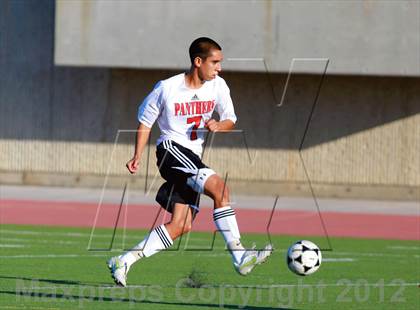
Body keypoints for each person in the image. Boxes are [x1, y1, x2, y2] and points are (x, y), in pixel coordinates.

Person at [107, 37, 272, 287]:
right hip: (171, 150)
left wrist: (220, 125)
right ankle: (240, 255)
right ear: (198, 61)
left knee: (181, 224)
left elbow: (230, 119)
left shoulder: (218, 86)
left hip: (192, 156)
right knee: (220, 189)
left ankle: (124, 261)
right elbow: (146, 123)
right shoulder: (167, 88)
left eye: (220, 63)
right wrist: (137, 155)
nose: (219, 68)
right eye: (215, 62)